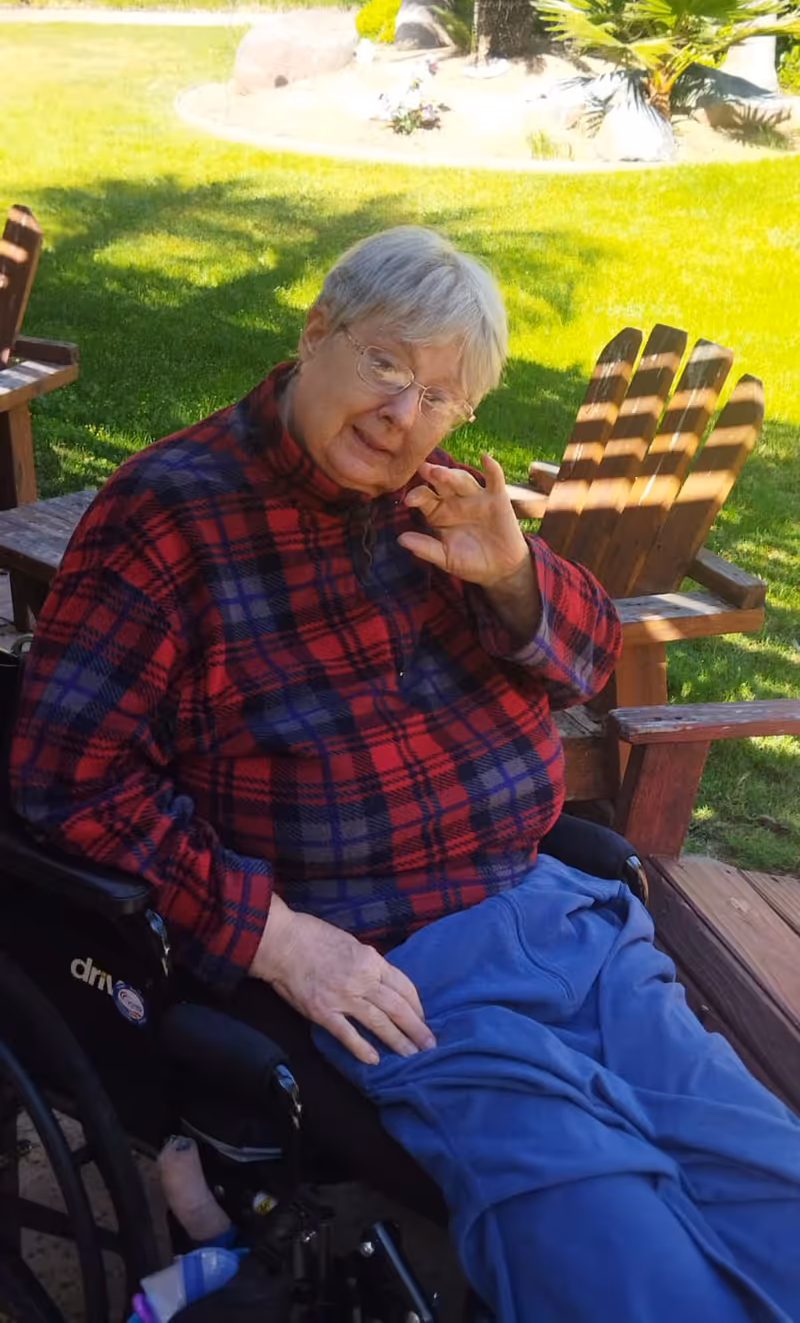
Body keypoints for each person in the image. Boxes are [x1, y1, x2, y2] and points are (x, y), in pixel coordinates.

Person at [11, 227, 800, 1322]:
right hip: (394, 978)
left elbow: (581, 664)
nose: (402, 416)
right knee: (623, 1259)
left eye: (440, 397)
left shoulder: (440, 507)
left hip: (562, 921)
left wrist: (517, 576)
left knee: (770, 1186)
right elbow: (65, 779)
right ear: (316, 332)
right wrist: (274, 941)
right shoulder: (167, 518)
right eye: (387, 365)